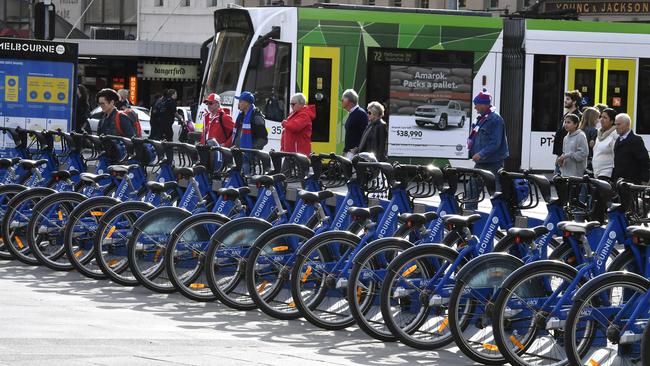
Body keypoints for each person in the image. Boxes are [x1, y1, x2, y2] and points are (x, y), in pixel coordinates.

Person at [467, 88, 509, 187]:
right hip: (481, 162)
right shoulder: (480, 119)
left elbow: (495, 143)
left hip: (494, 163)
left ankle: (498, 202)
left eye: (476, 104)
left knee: (495, 193)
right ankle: (470, 203)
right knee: (472, 191)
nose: (475, 107)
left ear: (483, 105)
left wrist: (480, 154)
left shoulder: (495, 119)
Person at [612, 113, 650, 184]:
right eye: (615, 124)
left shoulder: (636, 139)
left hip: (632, 182)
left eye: (619, 124)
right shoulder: (618, 139)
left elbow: (644, 160)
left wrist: (645, 179)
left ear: (627, 125)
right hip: (619, 181)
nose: (616, 127)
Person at [553, 90, 583, 174]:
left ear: (574, 102)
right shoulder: (566, 115)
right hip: (561, 152)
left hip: (567, 154)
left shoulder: (578, 116)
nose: (565, 101)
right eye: (565, 99)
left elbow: (575, 134)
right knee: (558, 177)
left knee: (559, 178)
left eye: (568, 99)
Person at [592, 108, 618, 180]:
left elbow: (616, 156)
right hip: (597, 173)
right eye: (601, 117)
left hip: (607, 173)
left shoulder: (615, 135)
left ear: (612, 121)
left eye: (605, 117)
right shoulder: (599, 134)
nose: (601, 120)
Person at [341, 89, 368, 157]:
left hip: (355, 154)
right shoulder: (352, 113)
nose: (341, 101)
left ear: (349, 101)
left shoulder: (360, 113)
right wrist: (345, 151)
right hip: (350, 152)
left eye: (343, 100)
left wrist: (358, 148)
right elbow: (350, 135)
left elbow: (365, 133)